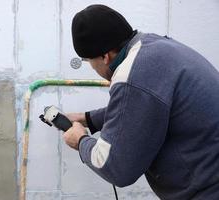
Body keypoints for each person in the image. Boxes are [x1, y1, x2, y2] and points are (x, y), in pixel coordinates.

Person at [63, 4, 219, 200]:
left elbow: (116, 168)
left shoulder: (134, 75)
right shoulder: (153, 46)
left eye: (88, 61)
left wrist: (80, 141)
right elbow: (145, 105)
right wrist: (87, 118)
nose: (91, 67)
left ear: (105, 57)